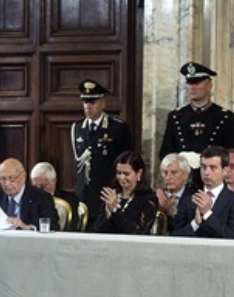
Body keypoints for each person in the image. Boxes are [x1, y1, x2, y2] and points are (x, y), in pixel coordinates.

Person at [158, 62, 234, 188]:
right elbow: (165, 152)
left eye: (197, 83)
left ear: (209, 85)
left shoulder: (225, 117)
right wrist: (180, 159)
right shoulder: (176, 116)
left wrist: (203, 160)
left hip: (212, 183)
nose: (192, 87)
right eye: (189, 83)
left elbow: (231, 155)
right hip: (182, 182)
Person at [71, 79, 132, 224]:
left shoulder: (117, 128)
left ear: (103, 103)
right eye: (85, 102)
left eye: (93, 102)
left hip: (106, 193)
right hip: (83, 194)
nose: (88, 106)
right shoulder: (77, 128)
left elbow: (126, 162)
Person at [172, 146, 234, 239]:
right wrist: (195, 224)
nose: (206, 172)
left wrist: (207, 214)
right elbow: (175, 237)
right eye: (203, 167)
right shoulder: (189, 200)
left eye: (213, 168)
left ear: (225, 171)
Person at [92, 151, 157, 235]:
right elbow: (97, 230)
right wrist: (108, 216)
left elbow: (140, 233)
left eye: (126, 174)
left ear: (139, 173)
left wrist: (115, 211)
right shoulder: (112, 195)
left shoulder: (148, 199)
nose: (122, 178)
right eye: (119, 173)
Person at [0, 158, 58, 231]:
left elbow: (53, 227)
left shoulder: (42, 198)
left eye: (12, 178)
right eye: (3, 179)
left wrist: (28, 228)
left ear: (23, 177)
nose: (7, 183)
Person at [30, 162, 80, 231]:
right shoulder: (30, 199)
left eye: (42, 186)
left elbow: (72, 228)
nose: (39, 191)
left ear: (54, 182)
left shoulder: (70, 200)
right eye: (35, 187)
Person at [155, 152, 197, 233]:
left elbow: (191, 229)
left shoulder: (194, 197)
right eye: (165, 173)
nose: (168, 177)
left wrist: (173, 212)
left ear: (185, 175)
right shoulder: (158, 196)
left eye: (174, 173)